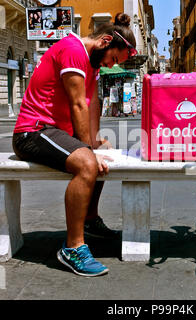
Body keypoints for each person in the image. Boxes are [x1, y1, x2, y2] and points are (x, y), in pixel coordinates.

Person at [12, 13, 137, 277]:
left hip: (53, 131)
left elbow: (91, 107)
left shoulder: (92, 65)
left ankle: (90, 219)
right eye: (113, 58)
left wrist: (94, 144)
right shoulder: (72, 50)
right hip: (32, 131)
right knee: (88, 162)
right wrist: (88, 153)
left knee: (103, 151)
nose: (110, 64)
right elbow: (78, 104)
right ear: (104, 41)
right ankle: (73, 247)